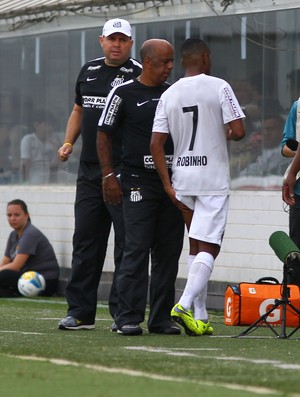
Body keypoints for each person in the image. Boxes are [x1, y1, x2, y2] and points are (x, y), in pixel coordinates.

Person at [150, 38, 245, 336]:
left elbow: (156, 143)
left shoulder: (170, 93)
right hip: (212, 179)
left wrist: (167, 185)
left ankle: (200, 316)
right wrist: (222, 132)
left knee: (195, 243)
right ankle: (184, 303)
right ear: (205, 57)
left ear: (181, 61)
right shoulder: (219, 86)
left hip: (182, 179)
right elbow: (239, 131)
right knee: (211, 246)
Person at [57, 18, 142, 330]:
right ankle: (80, 312)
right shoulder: (88, 70)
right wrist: (68, 143)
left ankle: (123, 314)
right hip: (89, 171)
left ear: (131, 43)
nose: (116, 44)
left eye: (123, 39)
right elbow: (79, 110)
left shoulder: (138, 75)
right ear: (101, 41)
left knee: (125, 244)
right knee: (85, 242)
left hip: (124, 172)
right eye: (111, 39)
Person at [97, 39, 185, 336]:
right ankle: (127, 317)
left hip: (171, 183)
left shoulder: (175, 93)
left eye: (172, 61)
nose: (170, 67)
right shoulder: (122, 93)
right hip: (136, 182)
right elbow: (103, 134)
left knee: (168, 251)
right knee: (135, 249)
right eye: (165, 62)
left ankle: (160, 318)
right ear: (147, 62)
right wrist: (109, 176)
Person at [0, 199, 59, 297]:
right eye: (9, 215)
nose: (12, 218)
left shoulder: (30, 234)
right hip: (26, 278)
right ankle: (12, 294)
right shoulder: (13, 235)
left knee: (4, 275)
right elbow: (5, 262)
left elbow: (16, 266)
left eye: (17, 215)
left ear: (26, 215)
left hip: (44, 281)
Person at [20, 109, 59, 184]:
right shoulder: (28, 140)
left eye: (52, 125)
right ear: (36, 125)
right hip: (33, 182)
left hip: (51, 182)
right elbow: (25, 163)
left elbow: (57, 166)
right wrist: (25, 182)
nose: (50, 128)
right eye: (47, 125)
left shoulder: (54, 141)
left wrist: (57, 150)